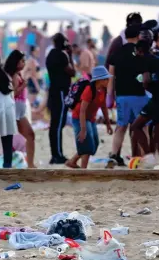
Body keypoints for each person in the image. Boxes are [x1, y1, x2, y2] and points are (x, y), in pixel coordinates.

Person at [107, 25, 149, 163]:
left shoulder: (116, 53)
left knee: (121, 126)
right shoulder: (141, 53)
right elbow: (146, 75)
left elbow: (111, 76)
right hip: (139, 95)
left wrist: (110, 95)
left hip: (122, 95)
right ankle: (144, 157)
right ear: (138, 37)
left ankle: (113, 155)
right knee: (142, 127)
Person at [130, 40, 159, 162]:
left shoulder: (144, 60)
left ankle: (149, 157)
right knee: (155, 132)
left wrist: (145, 85)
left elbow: (145, 81)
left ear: (140, 51)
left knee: (137, 126)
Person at [66, 66, 113, 169]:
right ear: (99, 80)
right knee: (87, 144)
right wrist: (83, 129)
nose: (108, 80)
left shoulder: (103, 90)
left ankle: (72, 161)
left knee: (94, 144)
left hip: (91, 119)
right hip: (79, 118)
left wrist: (108, 124)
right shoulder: (89, 90)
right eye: (106, 79)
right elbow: (82, 111)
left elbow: (104, 107)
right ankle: (84, 170)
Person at [46, 33, 76, 164]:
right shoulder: (61, 56)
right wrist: (70, 55)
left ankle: (56, 153)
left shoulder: (50, 55)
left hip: (54, 91)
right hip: (60, 92)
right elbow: (72, 72)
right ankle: (57, 154)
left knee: (55, 124)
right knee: (58, 125)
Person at [4, 50, 36, 168]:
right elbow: (13, 93)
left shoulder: (18, 74)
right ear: (16, 62)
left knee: (30, 135)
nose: (24, 63)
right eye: (22, 61)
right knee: (11, 138)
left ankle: (30, 164)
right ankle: (28, 164)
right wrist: (23, 86)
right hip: (14, 111)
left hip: (19, 111)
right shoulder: (13, 76)